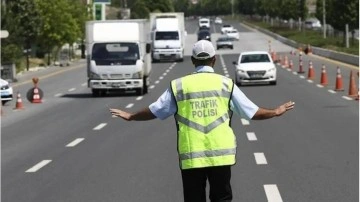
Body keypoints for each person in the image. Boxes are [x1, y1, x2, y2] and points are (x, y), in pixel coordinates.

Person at [109, 40, 295, 202]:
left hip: (192, 156)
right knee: (222, 198)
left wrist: (131, 116)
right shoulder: (225, 84)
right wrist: (275, 111)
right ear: (214, 60)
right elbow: (251, 112)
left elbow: (156, 110)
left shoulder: (179, 86)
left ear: (193, 61)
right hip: (221, 156)